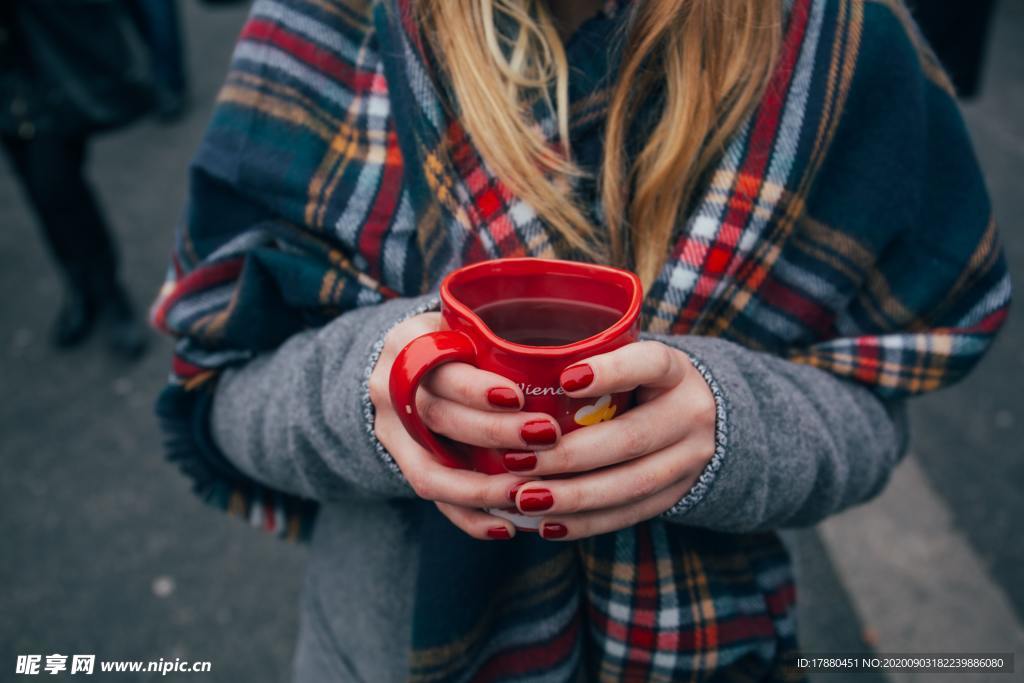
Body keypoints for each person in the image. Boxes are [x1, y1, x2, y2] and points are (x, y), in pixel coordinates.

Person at [152, 0, 1010, 680]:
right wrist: (376, 386)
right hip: (385, 650)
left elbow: (874, 409)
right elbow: (223, 387)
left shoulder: (839, 43)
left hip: (707, 650)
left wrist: (730, 427)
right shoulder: (332, 22)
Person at [1, 0, 150, 358]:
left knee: (58, 183)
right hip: (7, 82)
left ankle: (110, 292)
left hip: (46, 63)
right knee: (37, 191)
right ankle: (79, 287)